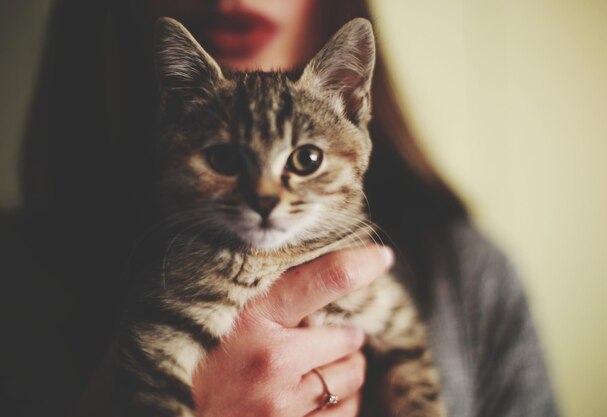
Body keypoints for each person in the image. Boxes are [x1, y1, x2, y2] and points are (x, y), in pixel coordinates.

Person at [7, 0, 558, 416]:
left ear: (350, 102)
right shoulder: (21, 276)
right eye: (225, 158)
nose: (267, 196)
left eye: (306, 157)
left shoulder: (467, 274)